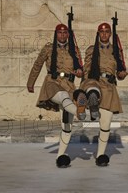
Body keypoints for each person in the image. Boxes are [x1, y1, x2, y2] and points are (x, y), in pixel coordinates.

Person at [27, 24, 87, 168]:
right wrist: (31, 82)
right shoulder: (48, 48)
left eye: (65, 32)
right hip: (52, 83)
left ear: (68, 34)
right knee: (64, 97)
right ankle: (80, 111)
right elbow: (37, 64)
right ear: (56, 34)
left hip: (69, 85)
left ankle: (61, 157)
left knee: (67, 125)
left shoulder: (74, 50)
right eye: (59, 33)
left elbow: (80, 69)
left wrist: (80, 72)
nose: (62, 35)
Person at [80, 21, 128, 166]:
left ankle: (100, 155)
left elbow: (119, 73)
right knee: (92, 88)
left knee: (105, 124)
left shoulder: (116, 51)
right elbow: (86, 70)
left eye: (107, 31)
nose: (105, 34)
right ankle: (91, 100)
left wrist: (122, 75)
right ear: (98, 34)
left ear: (110, 34)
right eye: (102, 32)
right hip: (95, 81)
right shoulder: (91, 50)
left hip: (109, 87)